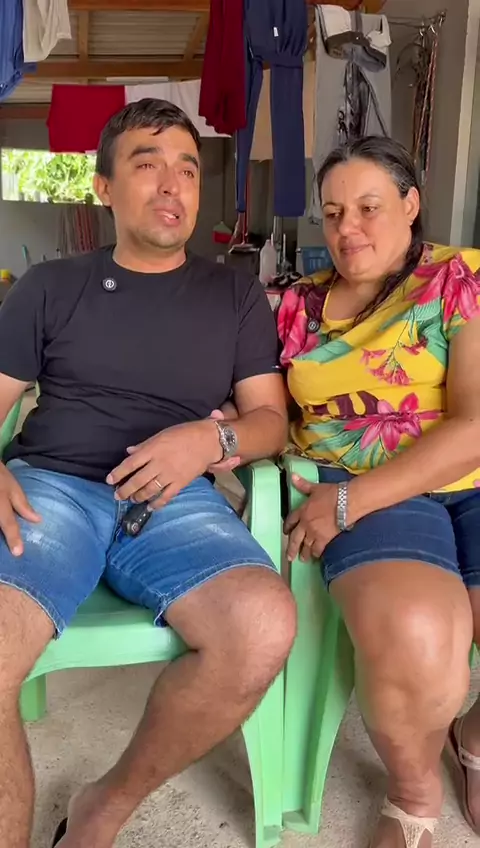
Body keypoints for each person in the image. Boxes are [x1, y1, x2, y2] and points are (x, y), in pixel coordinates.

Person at [0, 98, 296, 848]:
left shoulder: (234, 293)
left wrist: (209, 439)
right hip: (54, 488)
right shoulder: (47, 286)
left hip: (175, 499)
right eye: (147, 164)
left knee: (262, 624)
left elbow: (271, 420)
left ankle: (104, 807)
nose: (172, 184)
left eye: (188, 170)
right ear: (103, 187)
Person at [277, 136, 480, 848]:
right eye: (333, 213)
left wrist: (347, 507)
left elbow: (475, 424)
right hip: (356, 477)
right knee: (421, 633)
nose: (348, 229)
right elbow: (262, 406)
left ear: (411, 204)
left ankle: (473, 739)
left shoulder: (458, 277)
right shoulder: (297, 307)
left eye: (368, 207)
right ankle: (413, 792)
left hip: (457, 474)